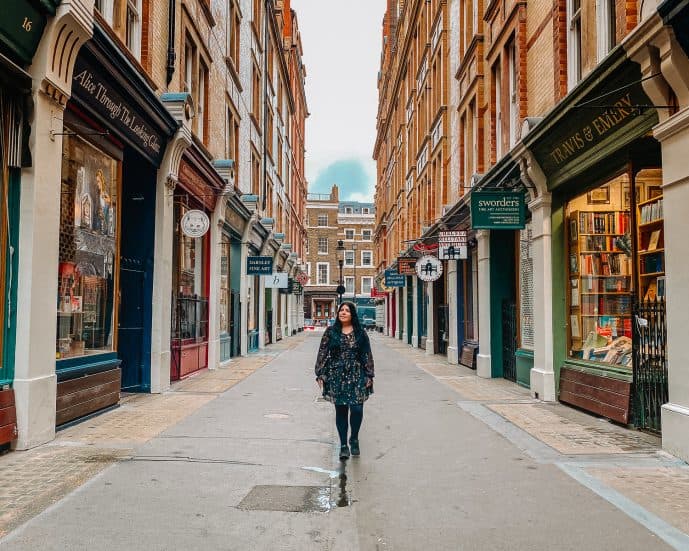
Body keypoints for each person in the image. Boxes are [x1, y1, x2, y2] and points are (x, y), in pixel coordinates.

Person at [315, 301, 374, 460]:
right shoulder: (330, 332)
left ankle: (354, 437)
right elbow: (322, 353)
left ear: (352, 314)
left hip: (356, 374)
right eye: (341, 310)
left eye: (347, 310)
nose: (343, 313)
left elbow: (366, 354)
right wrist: (319, 373)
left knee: (357, 409)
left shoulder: (360, 333)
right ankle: (343, 445)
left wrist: (369, 375)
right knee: (341, 411)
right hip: (337, 375)